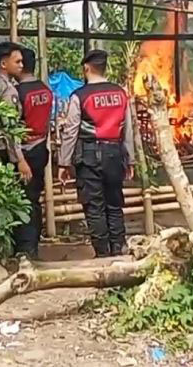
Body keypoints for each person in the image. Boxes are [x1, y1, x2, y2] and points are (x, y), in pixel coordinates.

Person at [58, 50, 135, 257]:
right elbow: (128, 130)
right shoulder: (120, 93)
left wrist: (64, 163)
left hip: (89, 156)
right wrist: (131, 160)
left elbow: (71, 131)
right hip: (115, 154)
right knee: (114, 204)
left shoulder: (79, 96)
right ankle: (118, 249)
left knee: (94, 207)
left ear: (86, 68)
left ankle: (102, 254)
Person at [12, 47, 53, 258]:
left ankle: (25, 248)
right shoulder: (46, 90)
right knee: (35, 198)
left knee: (22, 199)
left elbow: (12, 129)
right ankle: (34, 244)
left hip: (24, 154)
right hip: (41, 149)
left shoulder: (18, 93)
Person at [0, 42, 33, 182]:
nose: (21, 65)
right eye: (17, 62)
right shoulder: (8, 89)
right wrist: (20, 159)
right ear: (3, 64)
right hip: (3, 149)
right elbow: (10, 127)